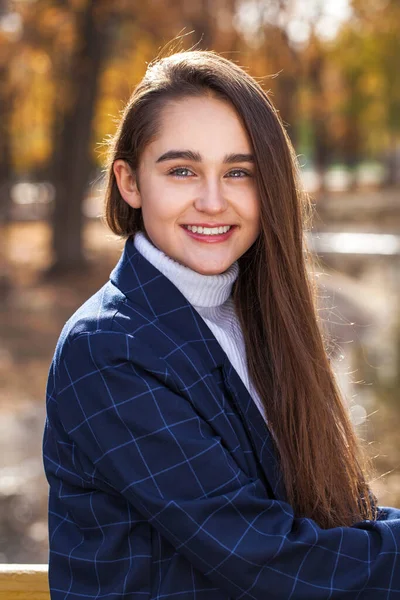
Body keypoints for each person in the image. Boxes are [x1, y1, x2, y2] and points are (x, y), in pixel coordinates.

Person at [42, 50, 400, 599]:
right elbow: (263, 555)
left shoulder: (255, 319)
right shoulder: (109, 348)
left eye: (239, 172)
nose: (213, 201)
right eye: (182, 170)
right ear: (130, 182)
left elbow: (328, 513)